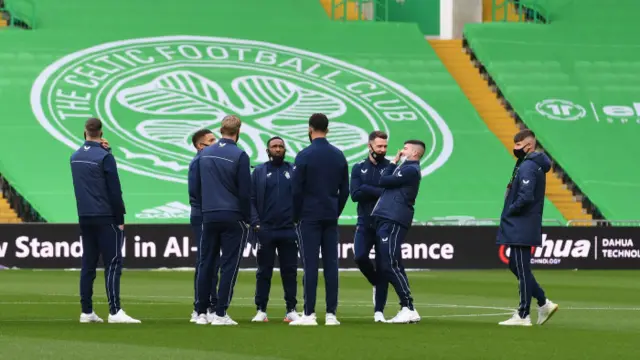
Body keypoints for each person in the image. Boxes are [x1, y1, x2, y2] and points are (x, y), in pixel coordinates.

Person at [70, 118, 140, 324]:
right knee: (113, 263)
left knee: (88, 264)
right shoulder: (104, 157)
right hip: (106, 215)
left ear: (85, 132)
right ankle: (115, 311)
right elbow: (114, 190)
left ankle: (86, 311)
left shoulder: (74, 157)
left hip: (85, 216)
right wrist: (120, 218)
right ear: (101, 133)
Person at [289, 113, 349, 326]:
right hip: (330, 214)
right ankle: (331, 314)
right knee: (331, 264)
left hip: (309, 216)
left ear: (310, 128)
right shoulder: (338, 155)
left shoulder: (304, 155)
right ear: (328, 129)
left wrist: (296, 215)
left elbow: (295, 190)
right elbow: (345, 190)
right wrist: (336, 210)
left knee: (310, 264)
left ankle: (309, 313)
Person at [497, 129, 558, 326]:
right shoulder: (528, 165)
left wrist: (510, 211)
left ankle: (523, 314)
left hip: (522, 222)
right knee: (515, 264)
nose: (515, 149)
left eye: (518, 145)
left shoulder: (528, 167)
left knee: (521, 268)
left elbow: (526, 196)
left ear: (528, 145)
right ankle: (543, 302)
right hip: (523, 222)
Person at [195, 115, 251, 326]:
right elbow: (245, 192)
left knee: (206, 263)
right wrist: (247, 218)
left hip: (209, 216)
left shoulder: (205, 153)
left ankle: (201, 312)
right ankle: (220, 314)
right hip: (232, 216)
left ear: (220, 130)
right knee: (228, 265)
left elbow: (198, 186)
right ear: (238, 131)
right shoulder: (239, 155)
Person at [371, 140, 425, 324]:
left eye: (406, 149)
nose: (402, 151)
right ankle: (408, 307)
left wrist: (393, 162)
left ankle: (408, 307)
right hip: (389, 217)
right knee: (392, 263)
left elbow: (383, 180)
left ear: (415, 153)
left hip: (394, 218)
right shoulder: (407, 168)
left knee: (390, 264)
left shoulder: (409, 169)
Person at [249, 136, 300, 323]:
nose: (278, 149)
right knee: (263, 271)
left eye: (280, 146)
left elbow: (302, 197)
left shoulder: (294, 170)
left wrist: (298, 221)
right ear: (267, 150)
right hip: (266, 230)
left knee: (290, 271)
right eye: (274, 146)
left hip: (288, 229)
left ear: (285, 150)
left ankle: (291, 309)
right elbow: (251, 200)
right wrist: (256, 224)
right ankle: (261, 309)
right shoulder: (259, 172)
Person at [350, 131, 390, 323]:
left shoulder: (390, 167)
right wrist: (375, 191)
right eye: (379, 146)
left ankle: (379, 312)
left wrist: (366, 188)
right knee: (359, 256)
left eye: (385, 146)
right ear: (370, 146)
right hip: (365, 223)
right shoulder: (358, 167)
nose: (382, 150)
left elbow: (389, 195)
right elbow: (355, 195)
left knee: (384, 266)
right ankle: (375, 282)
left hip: (384, 223)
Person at [188, 129, 219, 323]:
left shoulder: (206, 161)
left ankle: (207, 304)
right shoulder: (199, 162)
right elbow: (195, 192)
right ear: (201, 145)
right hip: (202, 215)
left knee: (210, 260)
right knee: (205, 261)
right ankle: (203, 306)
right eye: (212, 140)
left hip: (207, 214)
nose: (216, 142)